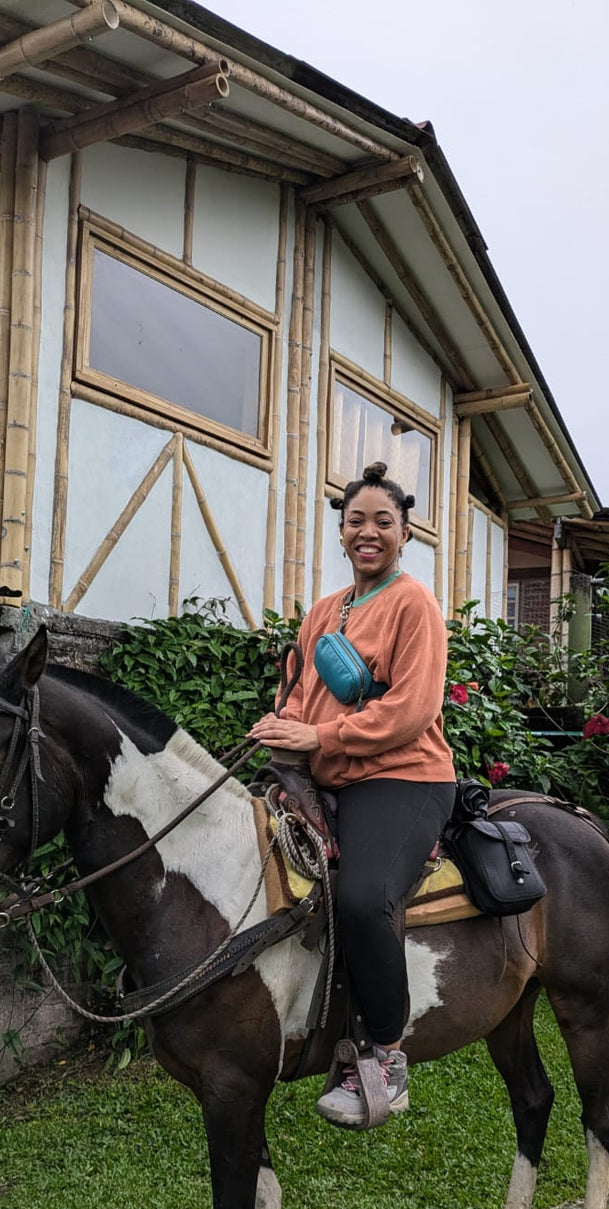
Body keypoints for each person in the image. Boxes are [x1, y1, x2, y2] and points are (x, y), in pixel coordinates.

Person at [249, 461, 456, 1128]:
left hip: (404, 776)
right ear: (341, 534)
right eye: (355, 521)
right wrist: (282, 729)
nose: (368, 532)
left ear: (404, 535)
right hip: (332, 774)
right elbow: (304, 700)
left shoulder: (414, 604)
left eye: (383, 522)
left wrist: (314, 735)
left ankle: (388, 1058)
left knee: (365, 897)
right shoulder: (323, 613)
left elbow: (411, 712)